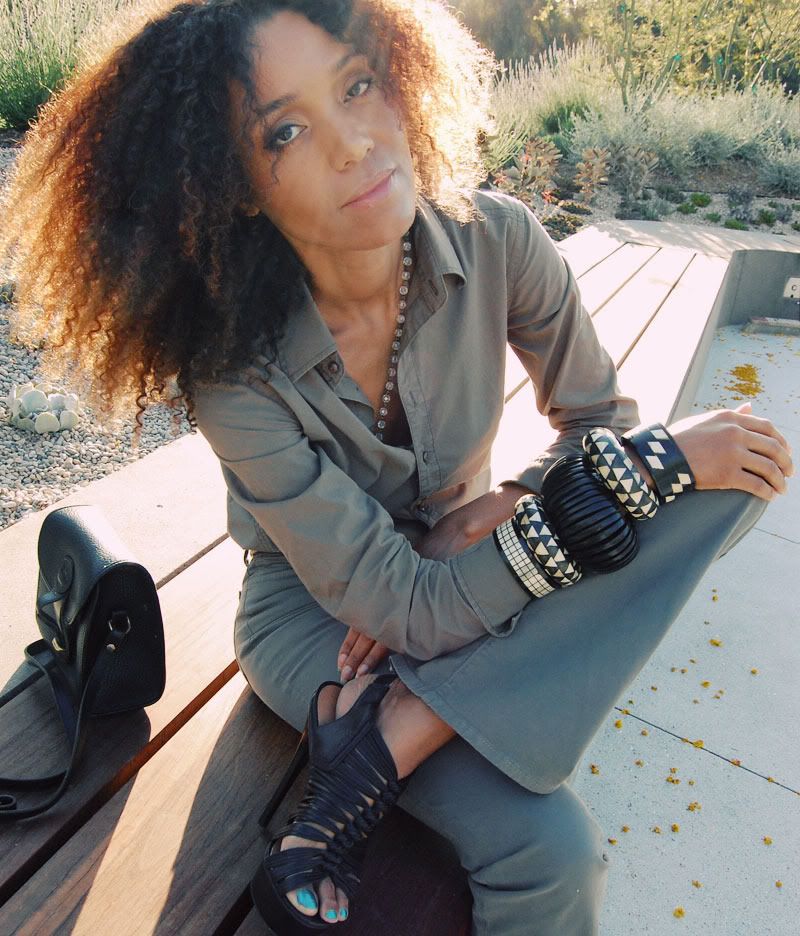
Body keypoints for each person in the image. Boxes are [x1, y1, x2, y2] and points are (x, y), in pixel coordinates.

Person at [1, 0, 793, 933]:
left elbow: (594, 423)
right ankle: (409, 724)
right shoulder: (228, 368)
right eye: (285, 130)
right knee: (557, 857)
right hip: (324, 620)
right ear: (234, 187)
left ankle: (380, 744)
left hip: (485, 563)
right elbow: (405, 607)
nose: (353, 144)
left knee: (732, 467)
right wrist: (614, 485)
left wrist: (507, 500)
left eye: (358, 84)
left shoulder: (497, 236)